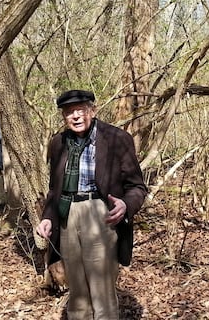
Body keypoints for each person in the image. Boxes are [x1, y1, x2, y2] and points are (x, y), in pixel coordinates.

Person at [36, 89, 147, 319]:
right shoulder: (59, 143)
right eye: (69, 113)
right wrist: (48, 217)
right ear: (64, 117)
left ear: (92, 111)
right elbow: (54, 189)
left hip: (100, 214)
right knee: (76, 292)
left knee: (102, 292)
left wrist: (126, 205)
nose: (75, 116)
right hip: (67, 215)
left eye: (80, 110)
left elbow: (137, 187)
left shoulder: (116, 139)